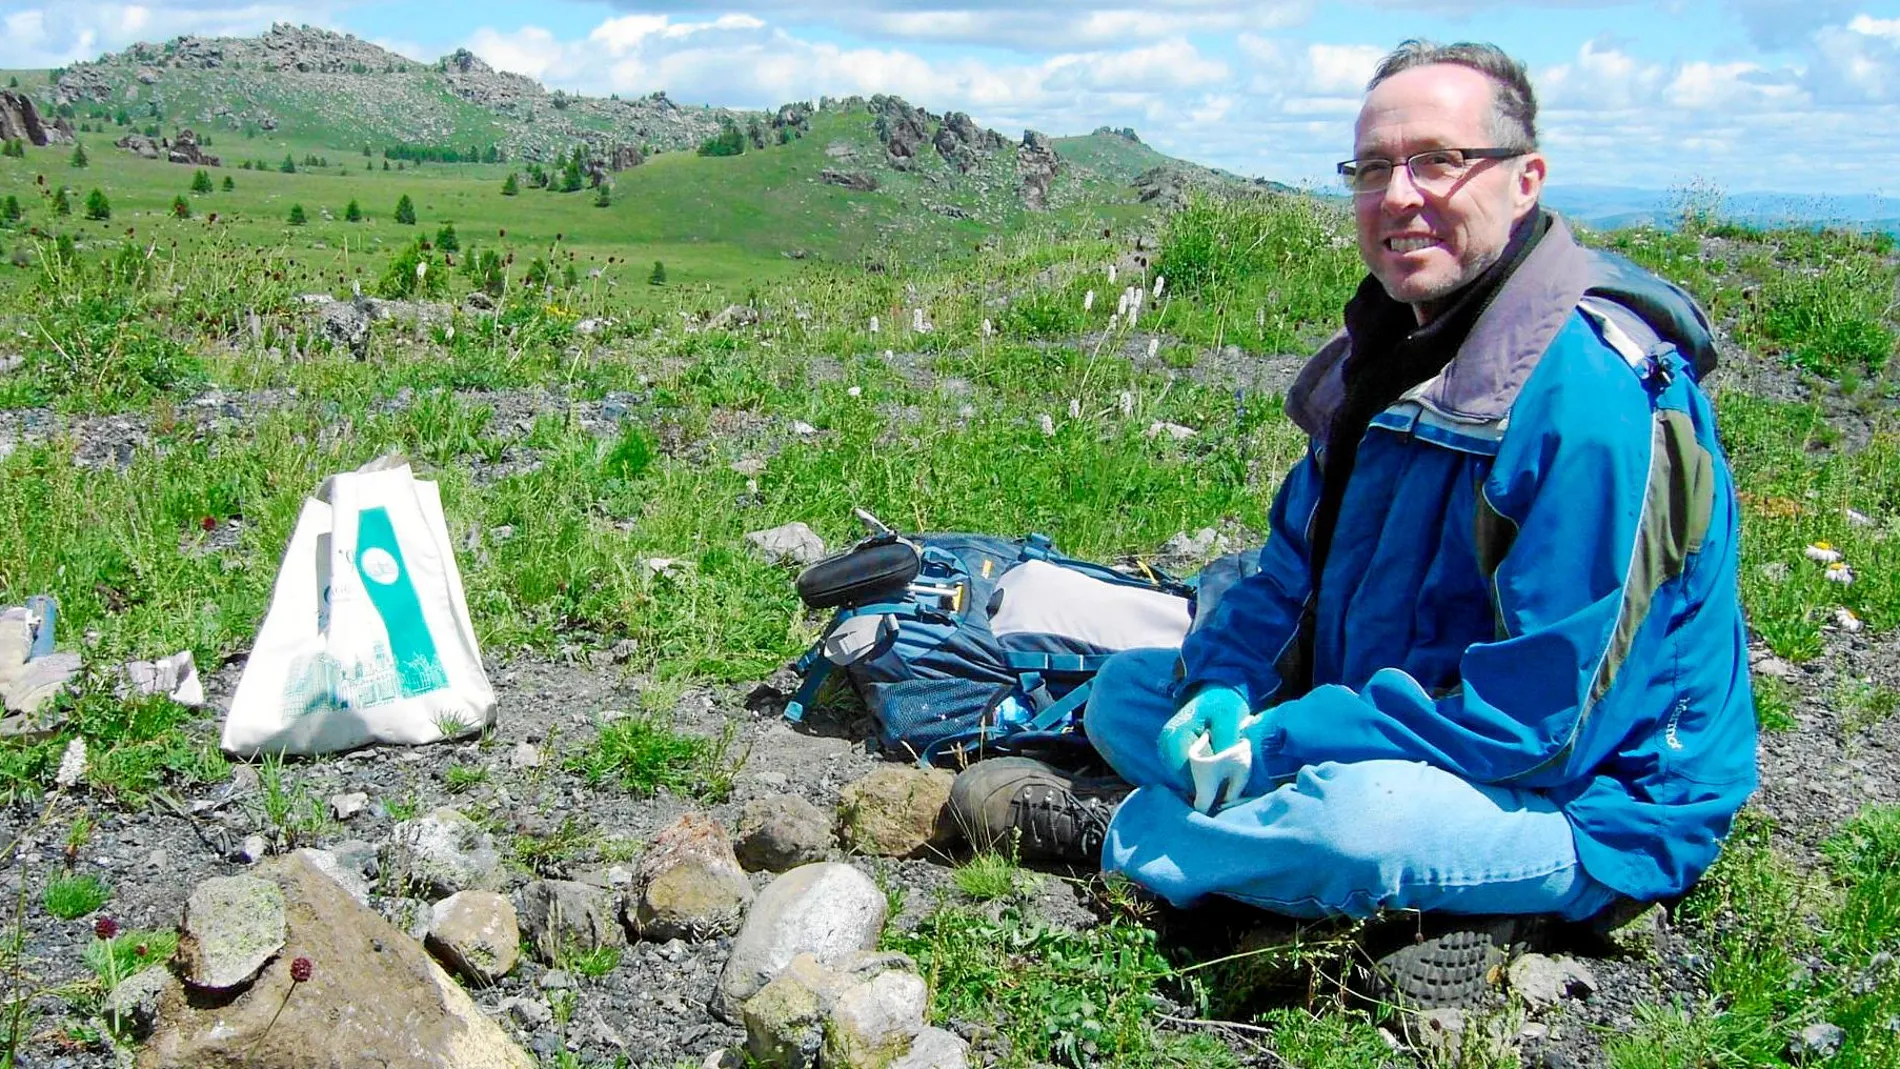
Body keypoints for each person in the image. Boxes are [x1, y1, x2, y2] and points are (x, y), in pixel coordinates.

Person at [949, 39, 1757, 1006]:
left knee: (1357, 819)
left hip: (1589, 795)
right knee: (1133, 692)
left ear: (1524, 179)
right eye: (1373, 168)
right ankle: (1378, 897)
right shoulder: (1390, 349)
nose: (1400, 194)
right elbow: (1289, 574)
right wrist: (1224, 688)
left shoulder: (1590, 404)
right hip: (1392, 711)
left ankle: (1130, 835)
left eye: (1439, 161)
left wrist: (1290, 738)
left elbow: (1541, 726)